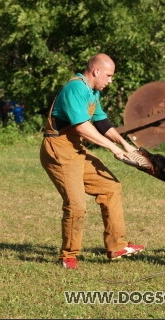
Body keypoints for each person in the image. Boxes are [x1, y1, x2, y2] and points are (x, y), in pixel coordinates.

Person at [40, 53, 144, 269]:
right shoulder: (75, 88)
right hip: (58, 149)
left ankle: (117, 246)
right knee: (77, 206)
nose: (110, 80)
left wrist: (126, 146)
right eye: (109, 75)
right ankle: (68, 256)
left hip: (76, 149)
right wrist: (113, 148)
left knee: (111, 187)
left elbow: (101, 122)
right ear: (96, 71)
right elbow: (81, 126)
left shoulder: (92, 92)